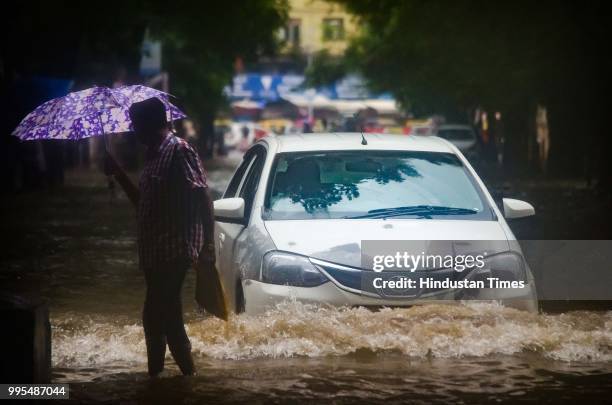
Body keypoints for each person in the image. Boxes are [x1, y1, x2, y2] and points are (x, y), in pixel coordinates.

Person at [103, 97, 215, 377]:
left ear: (152, 124)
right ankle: (186, 376)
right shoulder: (152, 155)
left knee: (153, 313)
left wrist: (208, 245)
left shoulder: (179, 150)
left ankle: (155, 378)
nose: (133, 131)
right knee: (169, 315)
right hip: (154, 250)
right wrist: (117, 172)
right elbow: (143, 203)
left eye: (136, 125)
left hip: (176, 247)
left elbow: (202, 196)